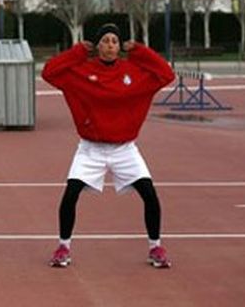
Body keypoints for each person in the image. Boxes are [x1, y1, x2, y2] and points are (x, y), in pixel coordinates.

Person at [41, 23, 176, 269]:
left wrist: (139, 51)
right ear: (97, 45)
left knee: (149, 195)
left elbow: (167, 74)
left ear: (120, 46)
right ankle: (63, 247)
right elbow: (49, 72)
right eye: (105, 40)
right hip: (91, 149)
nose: (110, 45)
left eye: (115, 41)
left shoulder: (134, 72)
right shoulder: (80, 72)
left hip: (124, 149)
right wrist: (78, 52)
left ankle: (156, 247)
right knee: (70, 195)